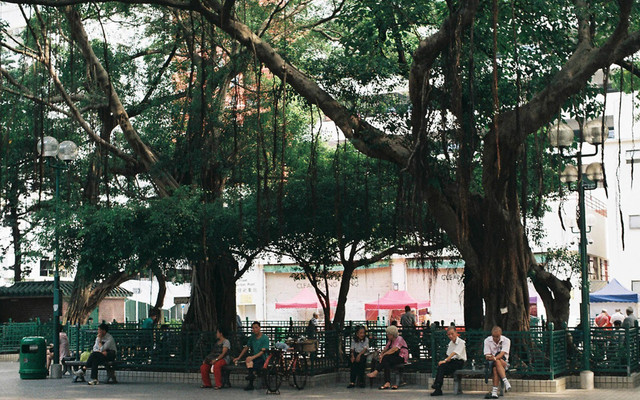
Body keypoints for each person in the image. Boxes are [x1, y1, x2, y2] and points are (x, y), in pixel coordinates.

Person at [366, 325, 408, 390]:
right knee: (386, 362)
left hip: (401, 357)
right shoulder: (390, 340)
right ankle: (387, 382)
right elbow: (386, 348)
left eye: (388, 334)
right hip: (393, 357)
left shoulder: (399, 339)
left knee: (385, 358)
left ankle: (376, 372)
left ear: (392, 334)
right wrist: (381, 354)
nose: (387, 335)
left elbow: (394, 349)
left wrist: (384, 355)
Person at [232, 321, 269, 391]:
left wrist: (252, 357)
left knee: (252, 363)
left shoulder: (265, 338)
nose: (254, 329)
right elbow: (246, 347)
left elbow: (262, 352)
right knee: (248, 360)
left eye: (256, 328)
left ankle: (251, 378)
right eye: (253, 328)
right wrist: (239, 357)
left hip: (262, 358)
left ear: (259, 328)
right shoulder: (252, 337)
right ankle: (251, 379)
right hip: (254, 357)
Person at [430, 326, 466, 396]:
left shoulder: (461, 342)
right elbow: (448, 355)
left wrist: (445, 360)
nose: (451, 336)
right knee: (441, 367)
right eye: (449, 334)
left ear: (456, 333)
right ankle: (438, 388)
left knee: (442, 367)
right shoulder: (450, 343)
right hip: (452, 362)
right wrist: (444, 361)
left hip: (459, 362)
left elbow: (454, 353)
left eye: (452, 334)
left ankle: (437, 385)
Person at [483, 326, 511, 399]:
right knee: (496, 366)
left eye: (497, 336)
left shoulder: (506, 340)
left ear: (500, 334)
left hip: (504, 362)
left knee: (497, 364)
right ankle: (505, 381)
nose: (495, 338)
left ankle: (494, 392)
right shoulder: (487, 340)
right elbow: (487, 355)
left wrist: (494, 358)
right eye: (494, 336)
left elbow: (502, 354)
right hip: (492, 362)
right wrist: (493, 358)